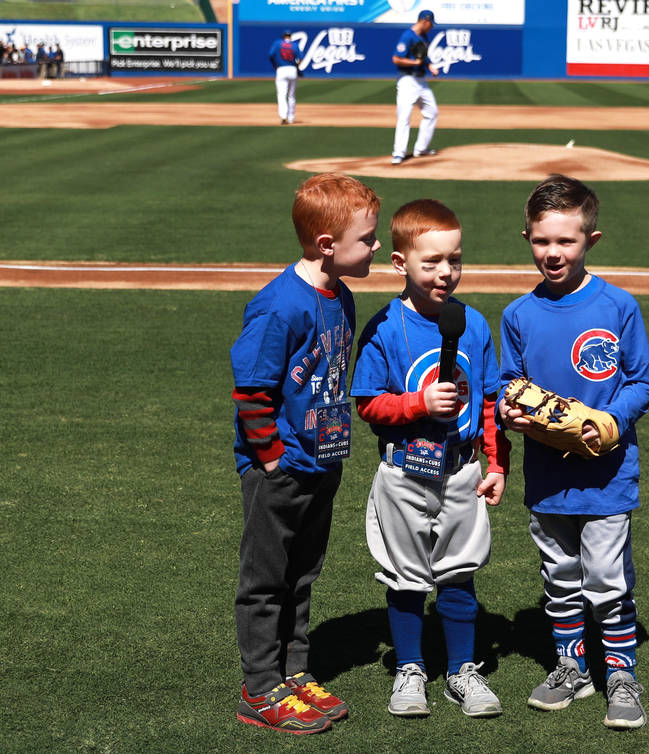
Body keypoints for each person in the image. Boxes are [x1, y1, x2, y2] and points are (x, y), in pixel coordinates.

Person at [498, 174, 649, 730]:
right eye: (542, 241)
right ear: (527, 238)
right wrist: (509, 411)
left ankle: (620, 673)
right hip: (547, 477)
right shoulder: (518, 314)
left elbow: (642, 382)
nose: (553, 252)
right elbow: (509, 384)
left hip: (609, 475)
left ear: (592, 239)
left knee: (607, 579)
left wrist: (613, 421)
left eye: (566, 241)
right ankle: (571, 666)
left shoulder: (618, 305)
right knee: (560, 576)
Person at [229, 172, 382, 735]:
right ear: (327, 245)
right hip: (283, 468)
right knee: (267, 580)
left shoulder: (340, 295)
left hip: (324, 460)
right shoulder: (279, 307)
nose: (377, 246)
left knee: (302, 573)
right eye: (367, 239)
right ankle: (260, 688)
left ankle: (293, 673)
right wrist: (270, 458)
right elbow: (251, 389)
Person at [350, 198, 509, 719]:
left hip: (461, 471)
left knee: (460, 574)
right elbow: (368, 403)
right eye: (431, 262)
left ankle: (463, 670)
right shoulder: (385, 327)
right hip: (403, 474)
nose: (446, 272)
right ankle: (411, 668)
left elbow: (488, 401)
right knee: (405, 577)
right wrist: (419, 403)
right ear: (401, 264)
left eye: (454, 260)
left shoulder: (474, 324)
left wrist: (496, 462)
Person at [390, 9, 440, 165]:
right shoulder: (407, 36)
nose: (432, 27)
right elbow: (396, 59)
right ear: (425, 21)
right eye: (431, 24)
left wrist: (429, 65)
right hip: (407, 81)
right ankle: (398, 153)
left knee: (432, 112)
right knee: (404, 117)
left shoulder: (424, 36)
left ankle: (421, 149)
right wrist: (414, 63)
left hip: (421, 81)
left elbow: (423, 56)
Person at [268, 30, 303, 125]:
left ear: (283, 37)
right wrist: (297, 67)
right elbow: (300, 59)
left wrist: (275, 65)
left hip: (281, 70)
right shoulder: (295, 45)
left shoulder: (277, 43)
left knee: (281, 95)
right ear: (290, 37)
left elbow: (270, 55)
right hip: (292, 70)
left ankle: (283, 117)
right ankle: (291, 118)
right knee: (291, 95)